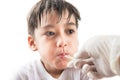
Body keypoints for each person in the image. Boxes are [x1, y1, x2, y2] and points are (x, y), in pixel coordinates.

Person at [12, 0, 90, 80]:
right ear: (33, 43)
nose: (62, 42)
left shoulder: (84, 71)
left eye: (70, 31)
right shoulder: (24, 75)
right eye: (50, 33)